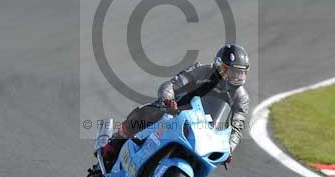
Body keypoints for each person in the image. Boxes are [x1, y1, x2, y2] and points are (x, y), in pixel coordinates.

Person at [100, 43, 251, 170]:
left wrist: (229, 148)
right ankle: (113, 144)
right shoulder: (202, 71)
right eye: (231, 72)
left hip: (205, 130)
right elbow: (171, 84)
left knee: (209, 162)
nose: (235, 78)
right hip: (174, 111)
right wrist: (168, 100)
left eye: (240, 73)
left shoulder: (241, 97)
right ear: (219, 65)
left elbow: (237, 126)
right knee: (142, 116)